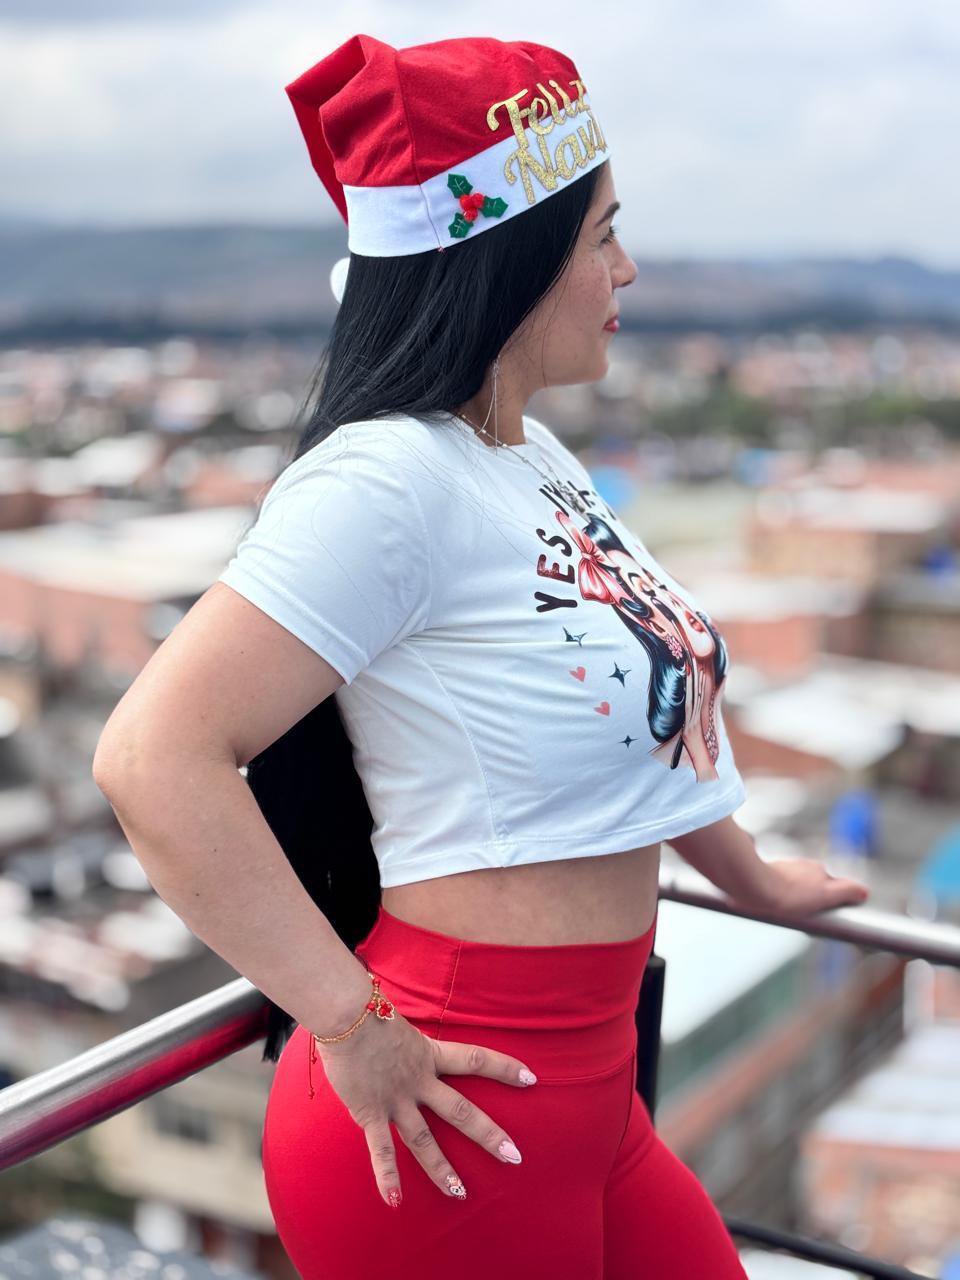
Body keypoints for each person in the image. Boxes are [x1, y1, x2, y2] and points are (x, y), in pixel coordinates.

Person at [92, 32, 872, 1280]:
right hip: (448, 1110)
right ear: (511, 259)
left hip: (591, 1088)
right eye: (603, 235)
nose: (629, 268)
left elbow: (643, 710)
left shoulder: (525, 456)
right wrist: (351, 1023)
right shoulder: (386, 479)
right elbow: (151, 755)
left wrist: (751, 876)